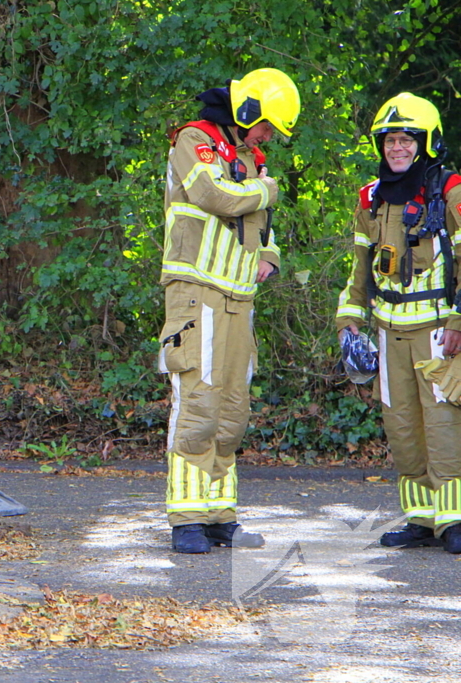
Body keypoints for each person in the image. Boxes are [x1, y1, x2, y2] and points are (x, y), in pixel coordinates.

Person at [159, 68, 300, 553]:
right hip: (196, 291)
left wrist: (270, 255)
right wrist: (266, 189)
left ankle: (220, 516)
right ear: (247, 110)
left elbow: (261, 223)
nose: (268, 137)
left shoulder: (247, 157)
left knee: (232, 411)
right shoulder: (194, 140)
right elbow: (213, 195)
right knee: (198, 404)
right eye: (267, 126)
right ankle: (187, 519)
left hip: (239, 296)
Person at [335, 92, 461, 554]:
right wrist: (349, 320)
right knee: (402, 428)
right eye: (390, 140)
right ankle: (421, 519)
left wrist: (458, 319)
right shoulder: (370, 198)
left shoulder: (450, 191)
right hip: (389, 333)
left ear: (426, 142)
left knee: (444, 427)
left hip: (438, 333)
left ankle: (454, 519)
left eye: (407, 139)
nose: (397, 148)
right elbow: (359, 271)